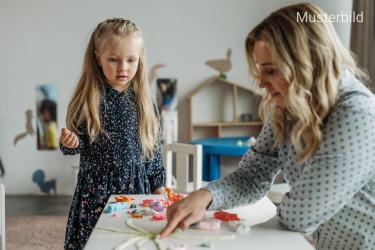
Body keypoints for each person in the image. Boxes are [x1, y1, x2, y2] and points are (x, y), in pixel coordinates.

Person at [161, 3, 375, 250]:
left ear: (307, 64)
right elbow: (253, 176)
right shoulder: (287, 107)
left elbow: (299, 216)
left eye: (270, 71)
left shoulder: (358, 115)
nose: (261, 83)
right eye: (260, 70)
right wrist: (206, 196)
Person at [59, 18, 166, 249]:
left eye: (131, 60)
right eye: (114, 60)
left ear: (140, 58)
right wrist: (70, 142)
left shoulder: (146, 103)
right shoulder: (87, 101)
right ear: (98, 57)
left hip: (137, 190)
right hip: (97, 192)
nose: (123, 68)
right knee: (98, 241)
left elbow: (153, 152)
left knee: (134, 240)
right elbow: (77, 144)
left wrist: (159, 186)